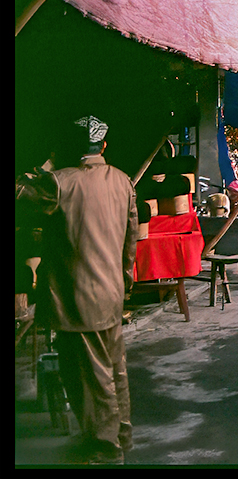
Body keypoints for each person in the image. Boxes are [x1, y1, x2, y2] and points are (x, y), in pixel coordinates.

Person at [15, 116, 138, 464]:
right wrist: (124, 280)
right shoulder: (122, 180)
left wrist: (48, 163)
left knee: (90, 377)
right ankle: (121, 435)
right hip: (111, 292)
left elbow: (18, 194)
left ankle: (104, 448)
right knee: (115, 369)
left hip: (78, 297)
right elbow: (131, 240)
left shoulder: (58, 183)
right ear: (103, 146)